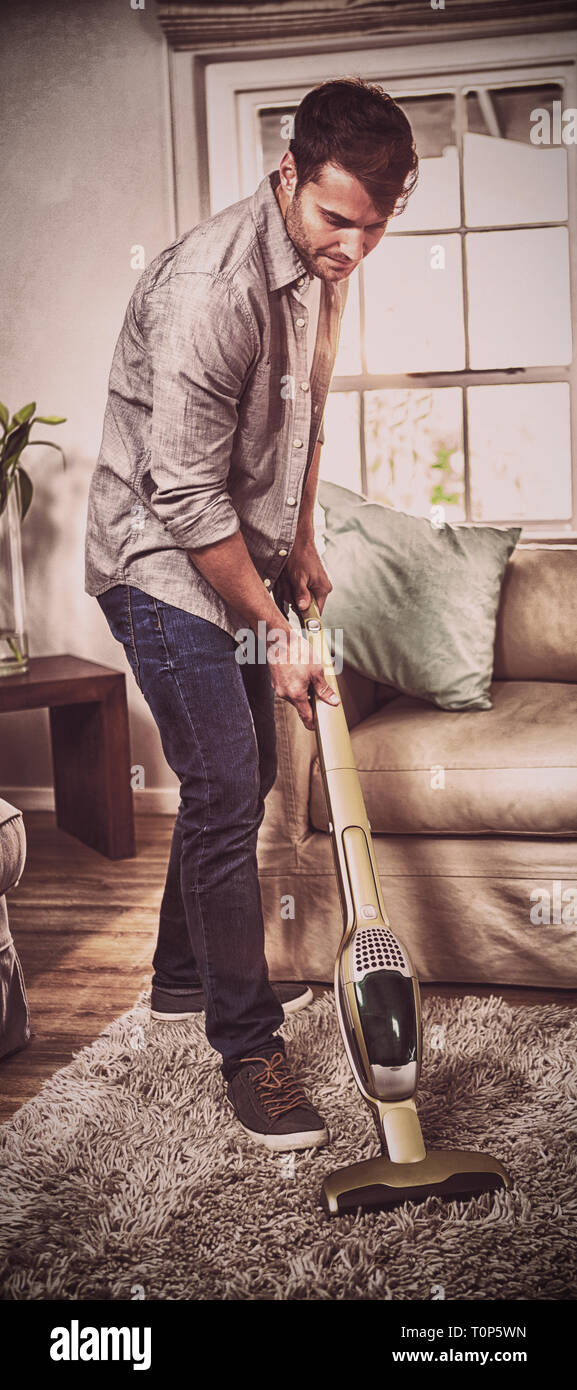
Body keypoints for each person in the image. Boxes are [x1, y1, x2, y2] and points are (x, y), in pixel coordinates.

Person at [84, 77, 418, 1154]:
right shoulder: (210, 287)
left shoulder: (330, 264)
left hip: (232, 544)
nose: (355, 248)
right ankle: (249, 1047)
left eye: (376, 225)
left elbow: (304, 420)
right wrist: (277, 629)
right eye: (337, 220)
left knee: (246, 779)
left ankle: (181, 975)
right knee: (229, 781)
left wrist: (304, 540)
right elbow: (181, 494)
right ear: (288, 173)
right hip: (156, 559)